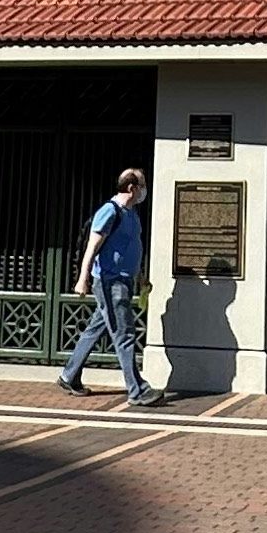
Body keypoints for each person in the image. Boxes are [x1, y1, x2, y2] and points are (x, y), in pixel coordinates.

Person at [59, 167, 160, 406]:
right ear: (132, 188)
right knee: (124, 334)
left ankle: (69, 375)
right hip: (110, 282)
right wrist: (82, 278)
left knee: (96, 329)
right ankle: (137, 390)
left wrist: (140, 277)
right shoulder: (109, 211)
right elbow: (92, 247)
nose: (145, 190)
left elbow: (131, 248)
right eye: (142, 185)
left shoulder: (132, 215)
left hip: (124, 280)